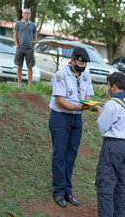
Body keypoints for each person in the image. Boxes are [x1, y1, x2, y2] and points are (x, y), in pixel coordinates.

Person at [48, 47, 94, 208]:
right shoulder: (61, 75)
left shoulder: (86, 76)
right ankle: (59, 191)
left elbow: (87, 97)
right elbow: (61, 101)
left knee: (71, 155)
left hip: (77, 120)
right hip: (61, 118)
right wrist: (82, 108)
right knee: (60, 155)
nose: (82, 66)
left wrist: (90, 105)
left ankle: (68, 190)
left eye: (85, 64)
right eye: (80, 63)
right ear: (73, 60)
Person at [94, 72, 125, 217]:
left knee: (105, 185)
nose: (109, 89)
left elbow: (102, 127)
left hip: (113, 146)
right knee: (120, 185)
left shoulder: (112, 104)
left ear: (113, 85)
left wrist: (99, 112)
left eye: (109, 86)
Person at [13, 8, 37, 87]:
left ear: (30, 15)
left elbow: (35, 37)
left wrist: (34, 47)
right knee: (19, 66)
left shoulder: (33, 25)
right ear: (22, 14)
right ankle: (19, 84)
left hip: (29, 49)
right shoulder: (18, 24)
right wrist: (16, 45)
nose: (27, 15)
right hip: (20, 48)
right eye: (25, 13)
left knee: (30, 67)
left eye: (28, 13)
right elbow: (15, 35)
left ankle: (29, 85)